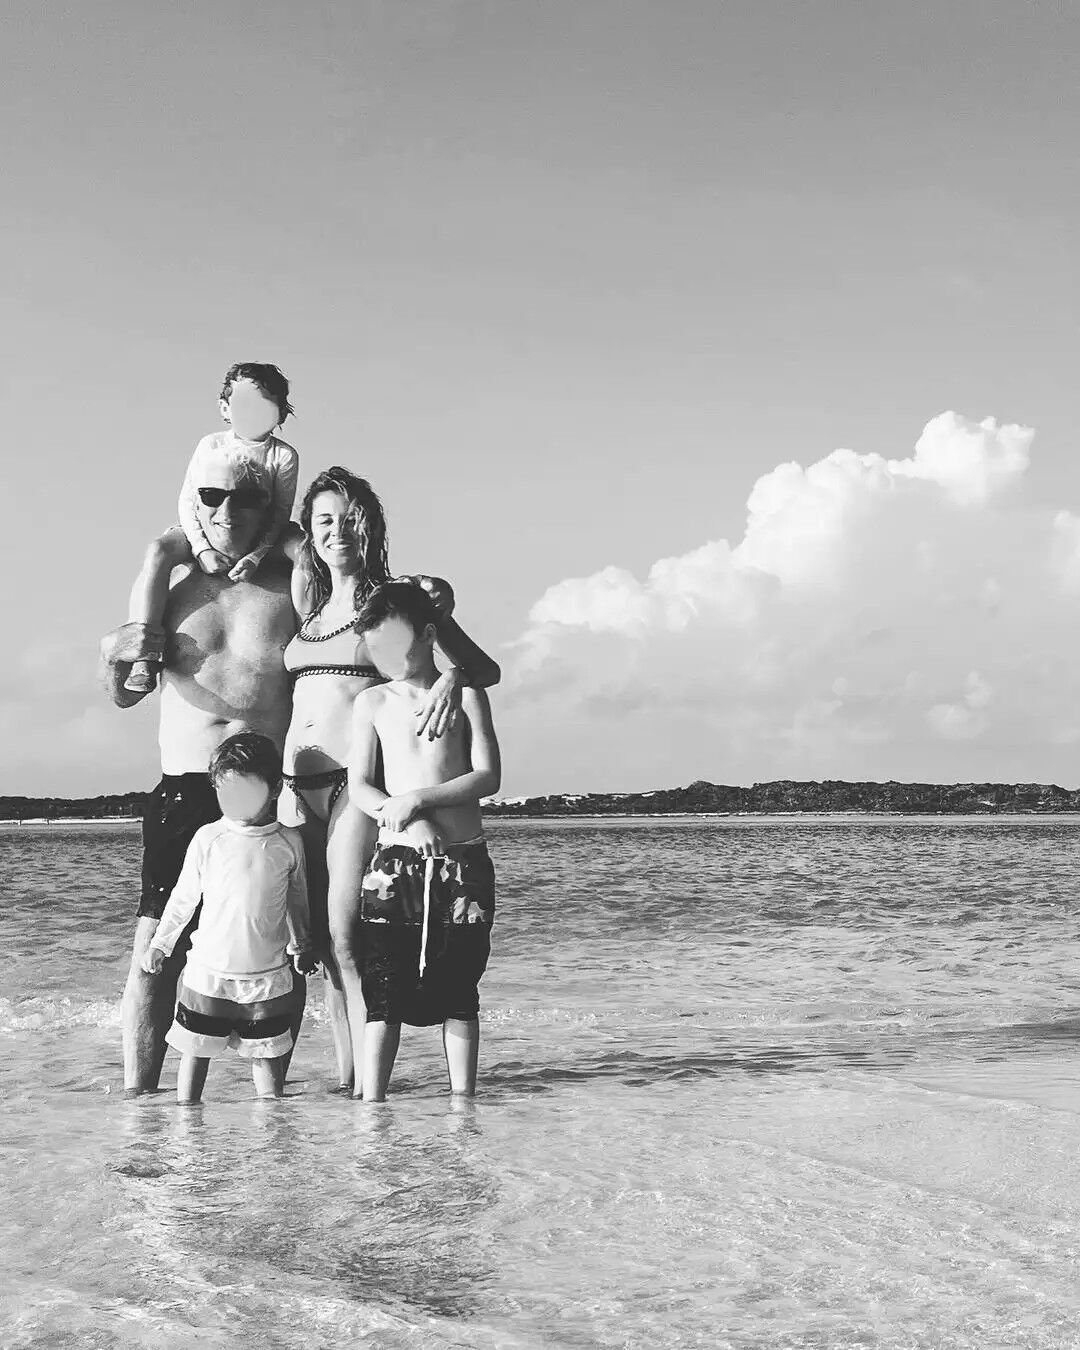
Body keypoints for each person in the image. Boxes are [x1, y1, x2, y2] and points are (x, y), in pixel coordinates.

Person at [280, 468, 500, 1095]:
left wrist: (454, 679)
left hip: (359, 789)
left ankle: (366, 1091)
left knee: (349, 934)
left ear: (373, 525)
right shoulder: (308, 604)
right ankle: (349, 1078)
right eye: (324, 519)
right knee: (318, 944)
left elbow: (480, 667)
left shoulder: (399, 598)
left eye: (350, 517)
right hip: (296, 786)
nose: (337, 530)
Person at [99, 458, 298, 1094]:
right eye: (212, 498)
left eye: (244, 500)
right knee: (156, 947)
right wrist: (112, 661)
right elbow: (126, 694)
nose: (226, 511)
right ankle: (141, 1099)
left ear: (266, 510)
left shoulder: (293, 585)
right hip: (185, 785)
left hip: (272, 790)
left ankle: (276, 1105)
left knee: (282, 948)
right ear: (194, 501)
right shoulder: (173, 586)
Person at [347, 581, 501, 1102]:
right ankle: (374, 1101)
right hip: (395, 862)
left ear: (428, 635)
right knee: (384, 984)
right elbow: (361, 786)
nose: (387, 659)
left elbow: (487, 776)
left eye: (396, 645)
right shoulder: (371, 702)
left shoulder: (467, 696)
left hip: (464, 862)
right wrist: (404, 816)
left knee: (460, 984)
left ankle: (464, 1101)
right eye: (376, 649)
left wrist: (422, 800)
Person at [141, 733, 318, 1102]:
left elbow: (297, 900)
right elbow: (184, 896)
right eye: (226, 791)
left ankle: (273, 1129)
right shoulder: (210, 837)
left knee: (267, 1058)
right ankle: (187, 1125)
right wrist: (161, 943)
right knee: (196, 1052)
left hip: (266, 978)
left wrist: (302, 943)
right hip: (209, 974)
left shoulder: (288, 842)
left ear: (273, 791)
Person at [124, 362, 302, 694]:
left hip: (265, 532)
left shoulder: (283, 456)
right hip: (203, 528)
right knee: (158, 550)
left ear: (279, 411)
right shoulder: (211, 445)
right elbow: (188, 500)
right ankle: (145, 650)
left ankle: (310, 637)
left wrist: (257, 556)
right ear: (225, 407)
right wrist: (202, 548)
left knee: (304, 549)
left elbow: (280, 511)